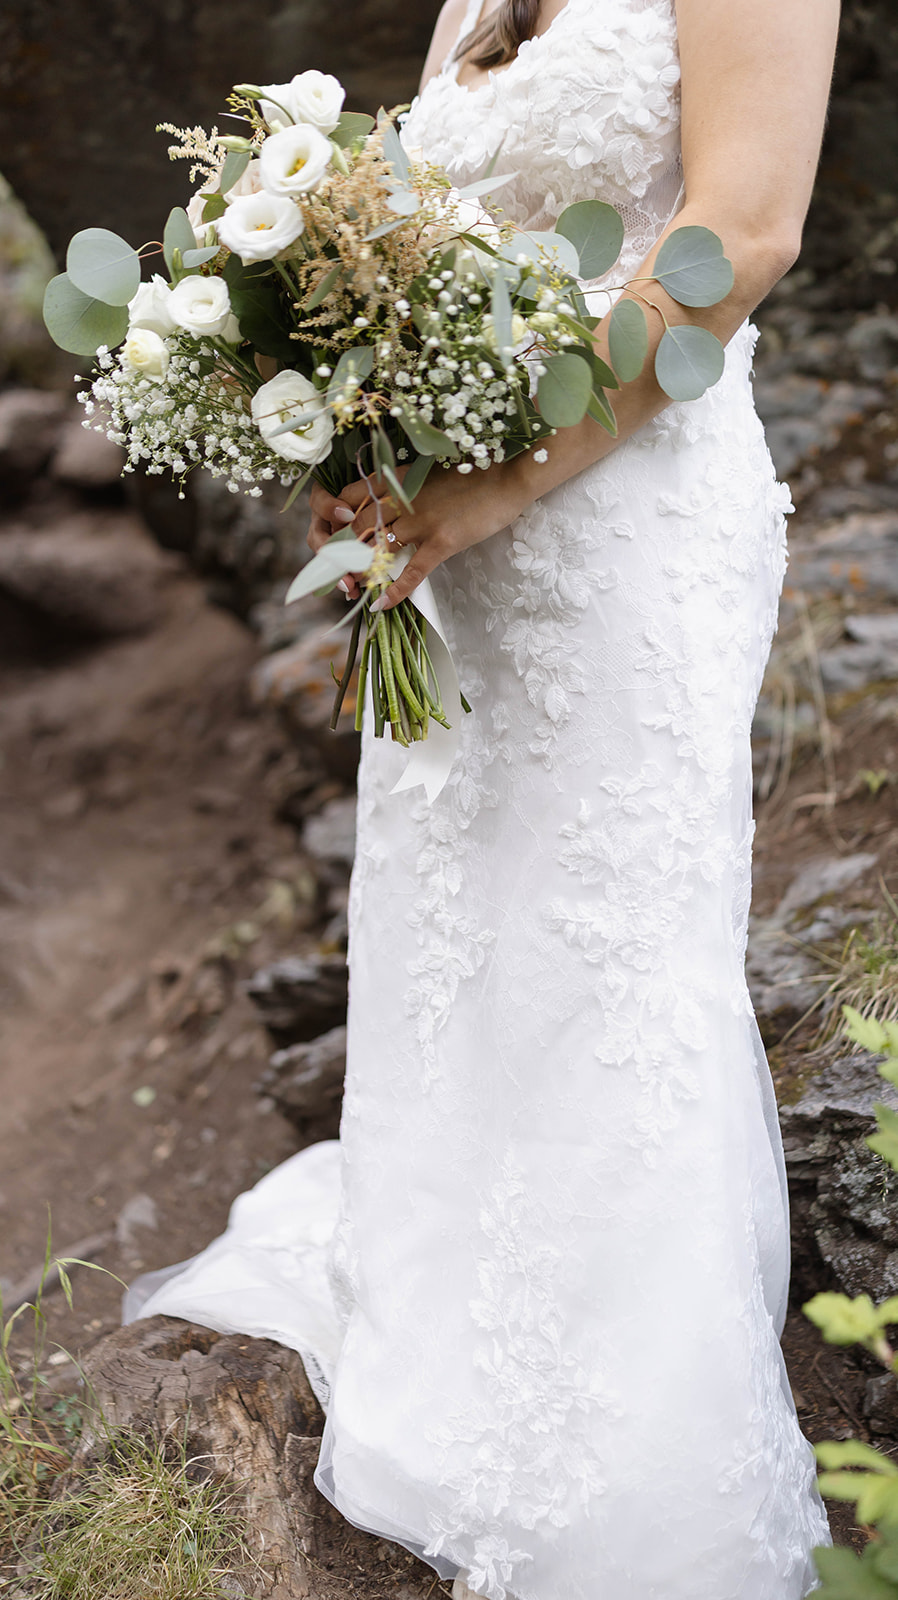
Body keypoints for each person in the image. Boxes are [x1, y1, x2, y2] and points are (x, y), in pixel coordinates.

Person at [125, 1, 841, 1595]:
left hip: (617, 510)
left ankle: (623, 1441)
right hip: (455, 534)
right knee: (456, 918)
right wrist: (352, 406)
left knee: (604, 946)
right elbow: (433, 232)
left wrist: (497, 476)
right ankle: (446, 1310)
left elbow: (743, 229)